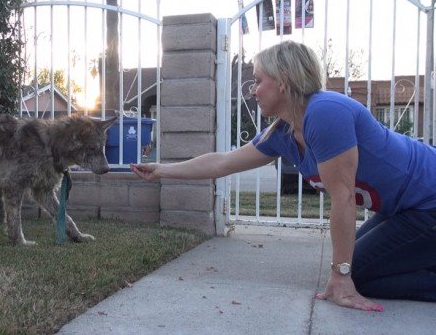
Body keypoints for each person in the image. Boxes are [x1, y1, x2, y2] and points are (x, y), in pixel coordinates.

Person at [131, 40, 436, 312]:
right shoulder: (283, 132)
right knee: (353, 266)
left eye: (258, 80)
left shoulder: (326, 112)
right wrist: (162, 170)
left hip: (429, 202)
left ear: (283, 81)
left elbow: (344, 199)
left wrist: (341, 277)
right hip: (409, 208)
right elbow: (223, 162)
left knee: (356, 274)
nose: (253, 90)